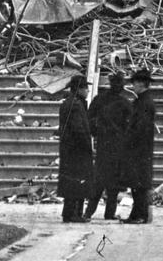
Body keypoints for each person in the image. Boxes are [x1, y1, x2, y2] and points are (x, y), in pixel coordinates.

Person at [84, 72, 132, 220]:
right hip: (117, 146)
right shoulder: (125, 103)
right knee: (113, 184)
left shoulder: (100, 99)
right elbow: (130, 126)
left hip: (104, 145)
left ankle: (89, 212)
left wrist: (96, 132)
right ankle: (109, 214)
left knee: (99, 181)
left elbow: (89, 118)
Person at [120, 68, 156, 224]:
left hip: (139, 150)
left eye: (134, 83)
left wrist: (129, 143)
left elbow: (140, 128)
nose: (132, 86)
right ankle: (138, 214)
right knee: (137, 184)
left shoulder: (144, 103)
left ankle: (140, 215)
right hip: (141, 149)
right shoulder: (144, 101)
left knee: (139, 184)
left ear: (141, 83)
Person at [57, 74, 93, 223]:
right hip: (77, 151)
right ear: (79, 89)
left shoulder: (68, 103)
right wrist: (88, 148)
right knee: (78, 182)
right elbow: (79, 130)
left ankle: (69, 213)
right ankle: (74, 214)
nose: (88, 91)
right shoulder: (77, 105)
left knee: (71, 181)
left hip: (68, 149)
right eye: (85, 88)